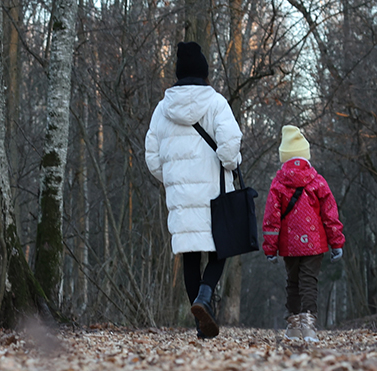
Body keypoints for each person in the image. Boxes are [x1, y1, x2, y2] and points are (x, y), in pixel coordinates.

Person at [145, 41, 242, 339]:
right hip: (214, 191)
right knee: (220, 249)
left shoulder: (163, 109)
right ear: (204, 72)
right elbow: (229, 147)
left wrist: (172, 177)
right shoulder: (215, 103)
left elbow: (152, 157)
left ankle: (202, 325)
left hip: (179, 196)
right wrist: (231, 162)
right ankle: (204, 297)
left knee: (190, 255)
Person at [261, 125, 345, 343]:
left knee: (293, 281)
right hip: (314, 244)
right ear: (306, 156)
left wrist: (270, 247)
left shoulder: (278, 183)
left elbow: (271, 218)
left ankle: (294, 326)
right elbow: (330, 215)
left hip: (289, 244)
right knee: (309, 281)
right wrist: (337, 243)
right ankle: (309, 327)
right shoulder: (318, 181)